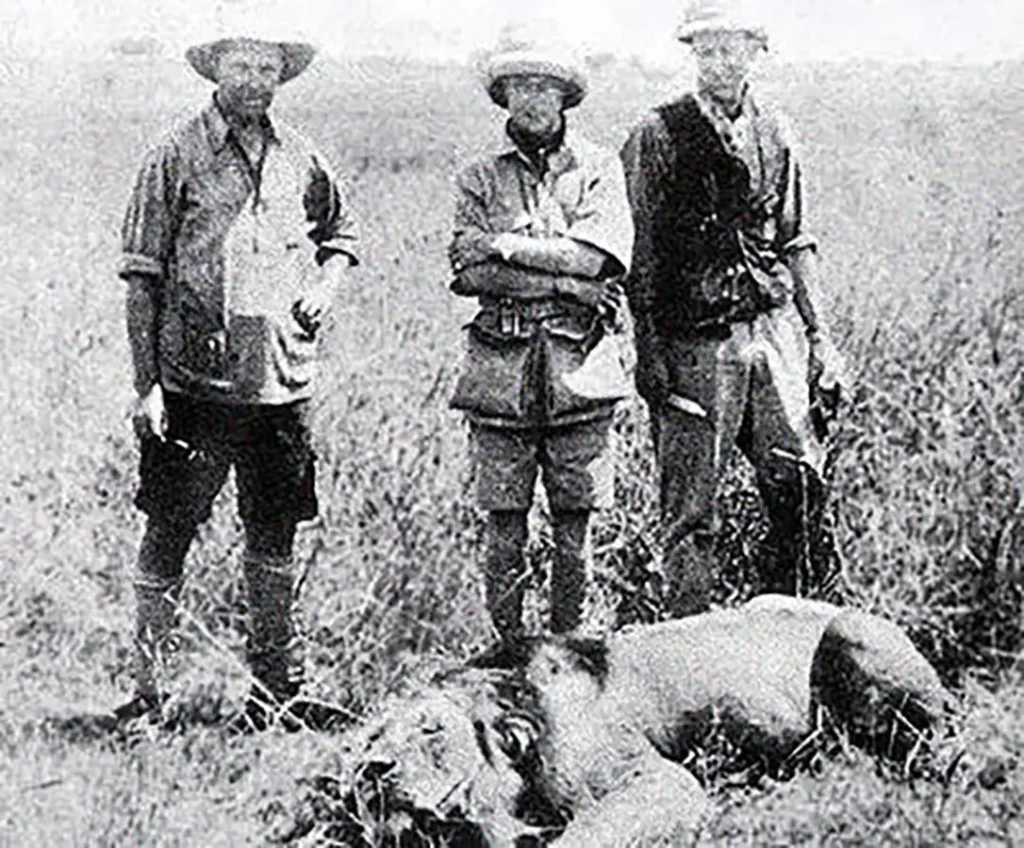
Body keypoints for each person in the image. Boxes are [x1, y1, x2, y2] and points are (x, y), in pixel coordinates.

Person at [115, 31, 359, 729]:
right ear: (215, 70)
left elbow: (342, 235)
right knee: (167, 532)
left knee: (274, 535)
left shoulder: (302, 155)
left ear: (282, 74)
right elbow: (141, 280)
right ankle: (149, 696)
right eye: (241, 65)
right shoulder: (174, 153)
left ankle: (276, 697)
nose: (255, 79)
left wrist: (326, 283)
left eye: (267, 67)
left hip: (281, 385)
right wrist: (147, 386)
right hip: (193, 386)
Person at [620, 0, 844, 616]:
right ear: (692, 54)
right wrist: (648, 351)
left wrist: (822, 339)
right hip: (695, 341)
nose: (719, 61)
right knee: (692, 511)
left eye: (731, 47)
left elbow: (797, 239)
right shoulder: (657, 133)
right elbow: (639, 254)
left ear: (755, 50)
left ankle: (796, 633)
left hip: (773, 333)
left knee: (799, 485)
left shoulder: (777, 130)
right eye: (706, 49)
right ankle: (689, 654)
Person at [448, 39, 635, 639]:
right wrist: (564, 282)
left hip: (580, 370)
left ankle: (568, 655)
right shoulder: (477, 176)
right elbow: (469, 273)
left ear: (565, 96)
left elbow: (597, 257)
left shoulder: (599, 167)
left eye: (544, 86)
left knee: (575, 521)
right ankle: (507, 658)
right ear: (503, 95)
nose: (532, 98)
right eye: (520, 85)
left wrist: (506, 246)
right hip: (500, 374)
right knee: (504, 522)